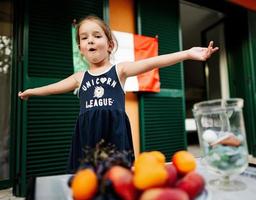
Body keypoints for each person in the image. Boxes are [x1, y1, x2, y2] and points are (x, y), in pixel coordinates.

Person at [18, 15, 219, 172]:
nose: (90, 41)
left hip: (114, 131)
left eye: (97, 36)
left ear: (110, 44)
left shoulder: (119, 70)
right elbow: (54, 87)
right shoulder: (80, 77)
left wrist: (187, 53)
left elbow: (152, 62)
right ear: (80, 48)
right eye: (84, 37)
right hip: (88, 134)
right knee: (87, 176)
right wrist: (31, 91)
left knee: (117, 174)